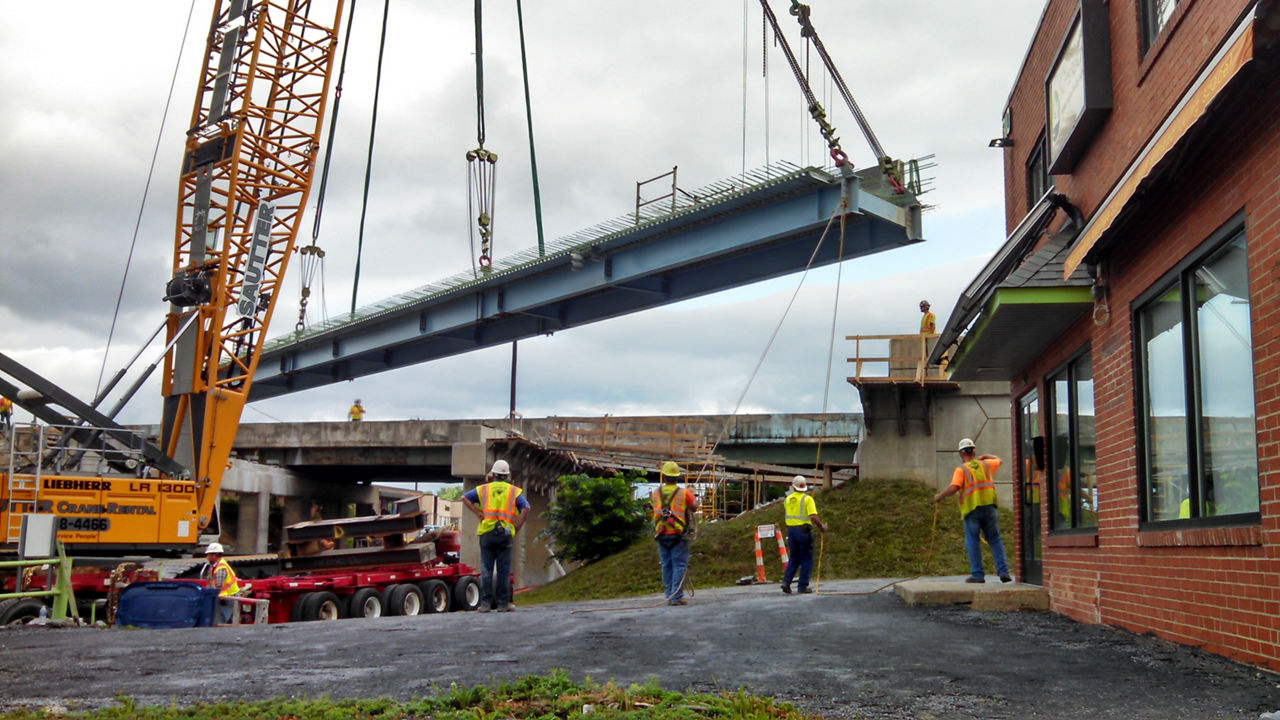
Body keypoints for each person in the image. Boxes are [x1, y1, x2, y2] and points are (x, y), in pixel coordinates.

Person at [934, 438, 1012, 584]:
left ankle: (978, 575)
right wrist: (984, 457)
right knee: (995, 540)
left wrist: (940, 496)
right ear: (973, 451)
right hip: (989, 508)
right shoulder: (986, 465)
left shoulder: (961, 470)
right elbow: (999, 460)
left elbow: (954, 487)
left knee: (972, 542)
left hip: (972, 510)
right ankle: (1003, 572)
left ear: (960, 454)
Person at [462, 459, 529, 612]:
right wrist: (517, 526)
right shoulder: (514, 491)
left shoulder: (483, 489)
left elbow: (464, 498)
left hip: (487, 533)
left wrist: (478, 513)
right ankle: (503, 604)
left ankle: (485, 604)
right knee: (503, 570)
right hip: (505, 533)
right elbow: (526, 507)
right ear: (507, 476)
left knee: (486, 569)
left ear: (493, 475)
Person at [651, 460, 699, 606]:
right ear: (677, 477)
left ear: (663, 476)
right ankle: (676, 597)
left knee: (666, 565)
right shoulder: (684, 493)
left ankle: (669, 595)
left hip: (661, 534)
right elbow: (694, 508)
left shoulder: (656, 493)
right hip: (678, 535)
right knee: (679, 565)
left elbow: (657, 508)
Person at [780, 475, 827, 595]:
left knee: (794, 558)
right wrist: (822, 527)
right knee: (806, 559)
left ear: (793, 486)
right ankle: (802, 586)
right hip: (803, 531)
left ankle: (786, 582)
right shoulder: (807, 499)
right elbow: (813, 516)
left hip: (791, 531)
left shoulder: (788, 499)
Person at [201, 542, 241, 624]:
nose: (207, 557)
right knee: (218, 617)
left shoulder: (221, 568)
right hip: (223, 596)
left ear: (214, 555)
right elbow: (211, 582)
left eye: (208, 554)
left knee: (221, 619)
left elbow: (219, 586)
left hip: (226, 597)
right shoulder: (214, 566)